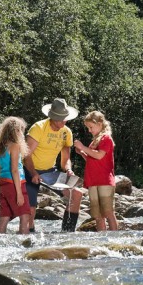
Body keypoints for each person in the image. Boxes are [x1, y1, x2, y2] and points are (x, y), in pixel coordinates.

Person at [24, 98, 83, 232]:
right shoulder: (38, 128)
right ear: (53, 117)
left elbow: (65, 158)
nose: (64, 121)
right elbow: (26, 155)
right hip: (30, 171)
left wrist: (68, 169)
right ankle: (29, 236)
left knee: (77, 194)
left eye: (65, 118)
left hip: (51, 172)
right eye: (61, 119)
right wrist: (33, 173)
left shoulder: (66, 132)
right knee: (31, 210)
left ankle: (67, 233)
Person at [73, 111, 118, 231]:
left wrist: (83, 147)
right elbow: (92, 159)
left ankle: (115, 238)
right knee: (97, 215)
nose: (89, 130)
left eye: (91, 127)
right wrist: (83, 153)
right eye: (88, 128)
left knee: (108, 212)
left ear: (99, 124)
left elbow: (99, 156)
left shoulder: (106, 138)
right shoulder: (94, 141)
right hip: (93, 180)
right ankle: (102, 238)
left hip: (104, 180)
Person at [0, 116, 31, 234]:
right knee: (25, 216)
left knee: (5, 216)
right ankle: (24, 246)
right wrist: (19, 193)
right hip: (15, 183)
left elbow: (1, 168)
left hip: (4, 183)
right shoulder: (15, 145)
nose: (23, 133)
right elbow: (14, 170)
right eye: (21, 130)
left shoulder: (1, 146)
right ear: (16, 131)